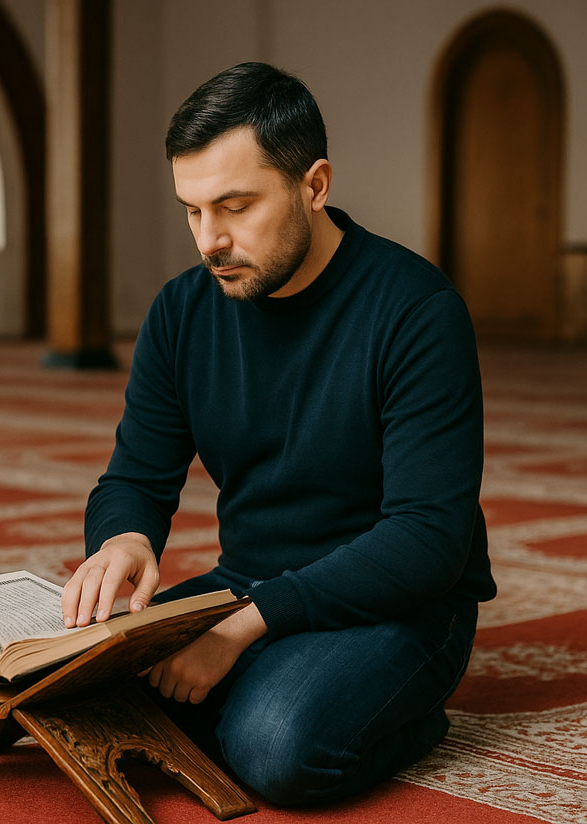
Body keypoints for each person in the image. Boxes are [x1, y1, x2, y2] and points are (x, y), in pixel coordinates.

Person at [61, 62, 496, 806]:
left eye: (234, 207)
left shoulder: (416, 311)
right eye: (192, 210)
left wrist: (238, 633)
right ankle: (262, 679)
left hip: (402, 603)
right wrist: (124, 539)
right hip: (247, 584)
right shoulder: (181, 313)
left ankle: (414, 718)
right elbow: (135, 476)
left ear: (315, 185)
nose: (210, 240)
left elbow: (428, 538)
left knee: (276, 745)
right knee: (60, 686)